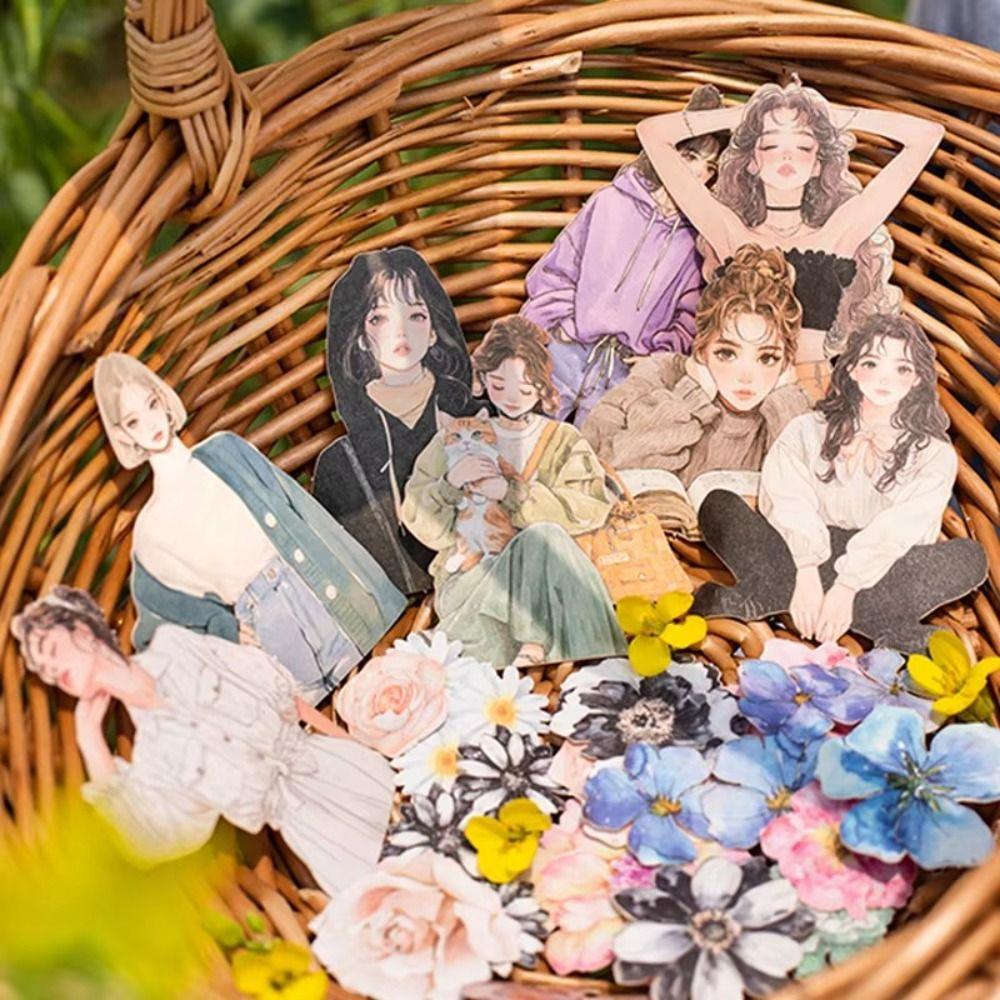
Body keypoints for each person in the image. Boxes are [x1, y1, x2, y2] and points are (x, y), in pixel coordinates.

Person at [12, 587, 394, 895]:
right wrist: (90, 741)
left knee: (418, 811)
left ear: (82, 631)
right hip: (311, 831)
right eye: (46, 671)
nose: (54, 670)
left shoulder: (174, 646)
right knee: (392, 886)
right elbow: (148, 839)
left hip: (335, 766)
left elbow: (281, 694)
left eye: (52, 651)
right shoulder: (154, 753)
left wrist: (352, 743)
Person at [94, 353, 404, 708]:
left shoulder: (225, 450)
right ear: (123, 435)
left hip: (313, 583)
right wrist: (224, 632)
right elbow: (159, 631)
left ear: (164, 400)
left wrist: (376, 591)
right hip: (262, 625)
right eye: (133, 421)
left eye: (151, 404)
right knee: (313, 716)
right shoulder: (151, 530)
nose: (150, 423)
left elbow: (304, 515)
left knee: (387, 677)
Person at [692, 313, 987, 651]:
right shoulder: (807, 428)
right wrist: (806, 571)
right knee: (719, 505)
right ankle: (881, 622)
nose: (885, 379)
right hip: (799, 551)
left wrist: (846, 588)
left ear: (918, 378)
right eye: (872, 363)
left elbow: (902, 526)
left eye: (902, 369)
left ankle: (767, 593)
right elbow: (788, 497)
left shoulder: (934, 453)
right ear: (852, 368)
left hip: (881, 568)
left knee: (970, 557)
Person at [636, 78, 943, 400]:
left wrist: (827, 114)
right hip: (731, 396)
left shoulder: (838, 234)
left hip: (812, 397)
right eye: (770, 146)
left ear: (818, 163)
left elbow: (926, 135)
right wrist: (747, 114)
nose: (786, 157)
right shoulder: (729, 232)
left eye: (803, 147)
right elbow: (652, 133)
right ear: (752, 161)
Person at [401, 316, 626, 667]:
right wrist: (450, 484)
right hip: (475, 580)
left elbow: (590, 507)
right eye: (499, 384)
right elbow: (418, 518)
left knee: (543, 538)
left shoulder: (563, 439)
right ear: (483, 379)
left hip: (551, 584)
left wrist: (512, 492)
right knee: (541, 539)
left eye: (525, 387)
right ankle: (592, 661)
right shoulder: (456, 435)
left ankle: (597, 668)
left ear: (542, 387)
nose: (512, 397)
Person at [520, 85, 729, 425]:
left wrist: (657, 358)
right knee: (524, 434)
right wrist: (557, 325)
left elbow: (691, 315)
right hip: (567, 348)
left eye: (710, 168)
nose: (697, 173)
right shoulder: (610, 202)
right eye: (690, 156)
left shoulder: (696, 240)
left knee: (595, 450)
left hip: (625, 373)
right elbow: (557, 269)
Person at [582, 245, 811, 536]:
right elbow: (608, 472)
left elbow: (813, 497)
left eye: (767, 358)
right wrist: (692, 398)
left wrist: (784, 402)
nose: (746, 377)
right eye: (727, 353)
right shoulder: (658, 375)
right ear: (701, 349)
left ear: (786, 361)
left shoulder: (789, 407)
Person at [313, 247, 476, 594]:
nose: (400, 330)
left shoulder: (482, 421)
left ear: (433, 330)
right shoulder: (339, 466)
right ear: (360, 337)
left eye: (415, 315)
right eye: (379, 318)